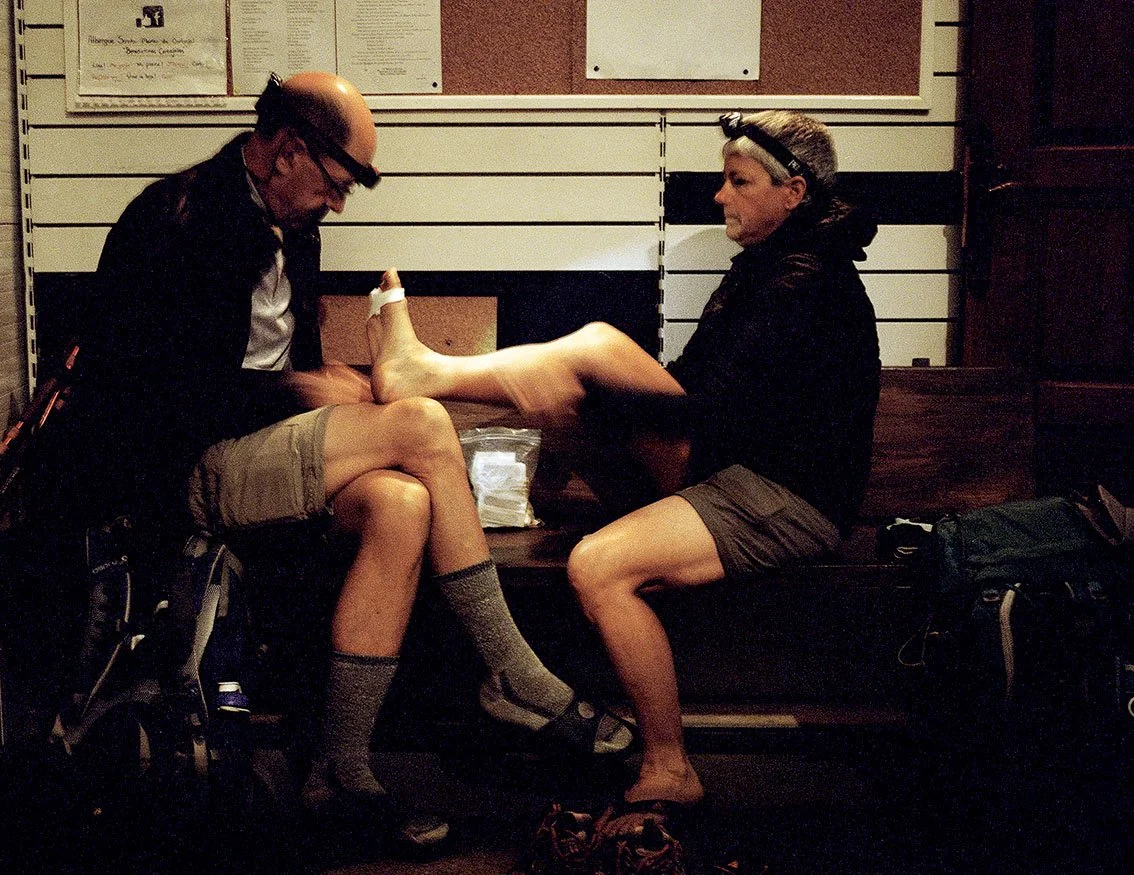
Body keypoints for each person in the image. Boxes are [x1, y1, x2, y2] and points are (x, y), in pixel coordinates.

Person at [55, 70, 633, 851]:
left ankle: (341, 770)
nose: (340, 200)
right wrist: (306, 390)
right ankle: (513, 673)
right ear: (286, 150)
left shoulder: (295, 227)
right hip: (177, 472)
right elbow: (168, 400)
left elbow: (288, 367)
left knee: (404, 503)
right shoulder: (180, 221)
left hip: (250, 457)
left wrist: (322, 394)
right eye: (338, 181)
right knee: (422, 423)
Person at [365, 109, 881, 829]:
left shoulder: (807, 285)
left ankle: (671, 765)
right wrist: (574, 408)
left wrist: (591, 385)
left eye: (738, 181)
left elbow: (702, 415)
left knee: (597, 557)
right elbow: (697, 395)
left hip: (787, 498)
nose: (719, 196)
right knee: (589, 366)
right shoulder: (766, 272)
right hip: (734, 475)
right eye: (722, 180)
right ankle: (427, 373)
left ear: (792, 192)